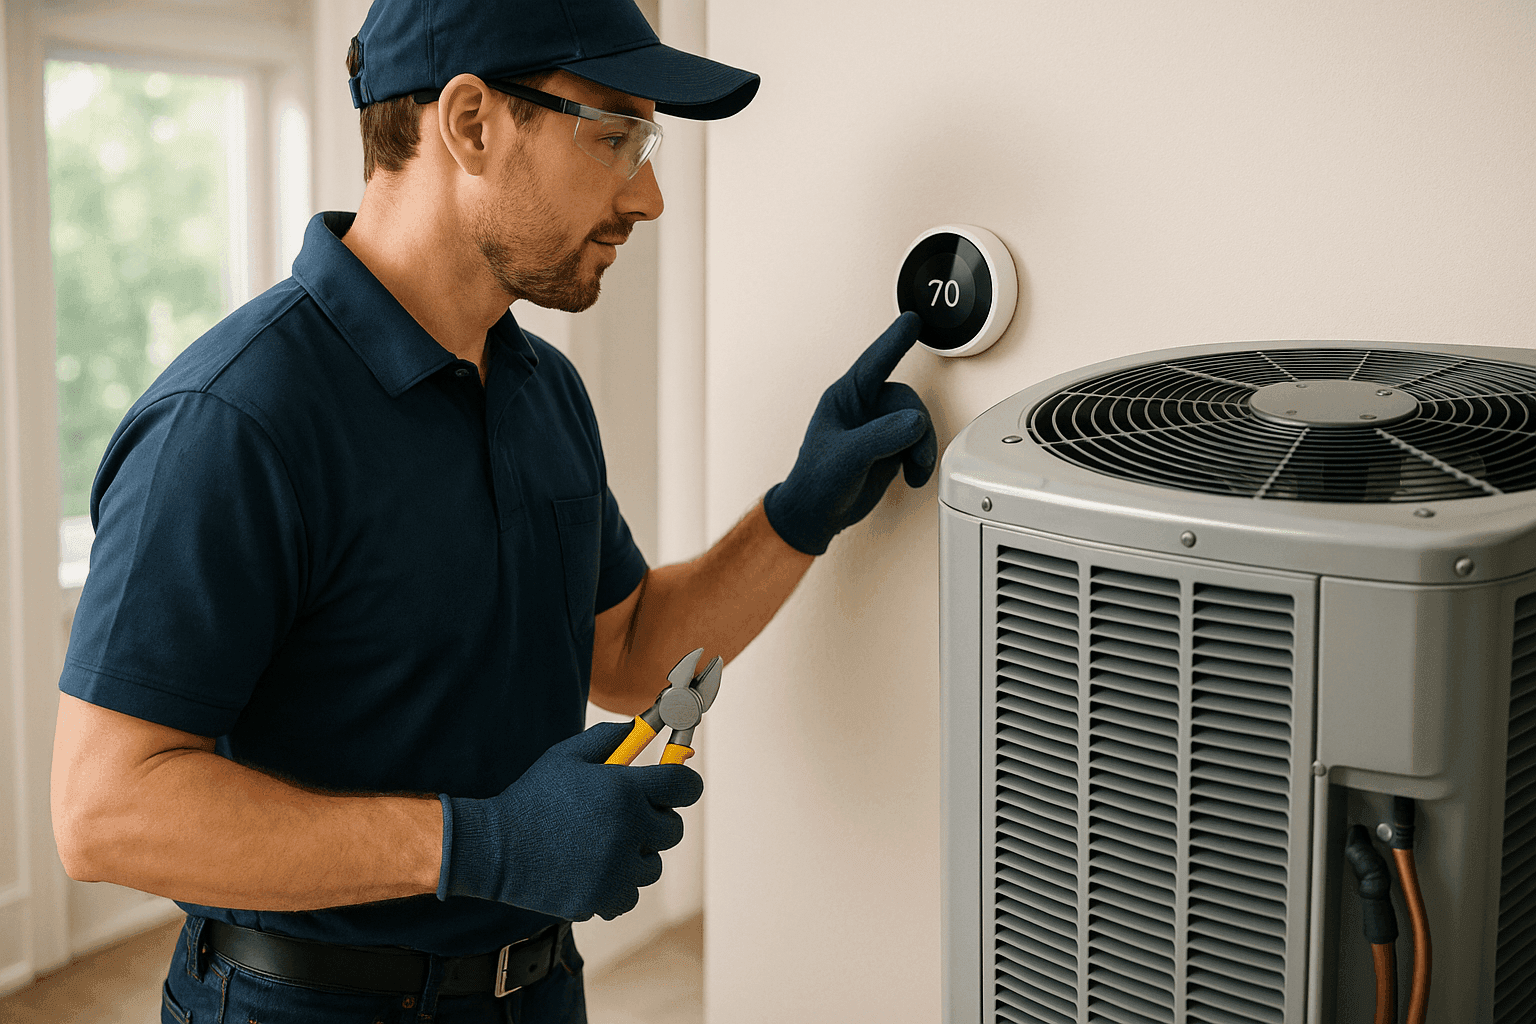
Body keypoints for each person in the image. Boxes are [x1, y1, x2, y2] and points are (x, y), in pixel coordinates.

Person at [49, 0, 936, 1021]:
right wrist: (483, 844)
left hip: (537, 989)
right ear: (470, 122)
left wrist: (798, 513)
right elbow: (106, 809)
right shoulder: (238, 419)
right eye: (616, 137)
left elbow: (633, 651)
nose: (648, 196)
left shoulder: (540, 390)